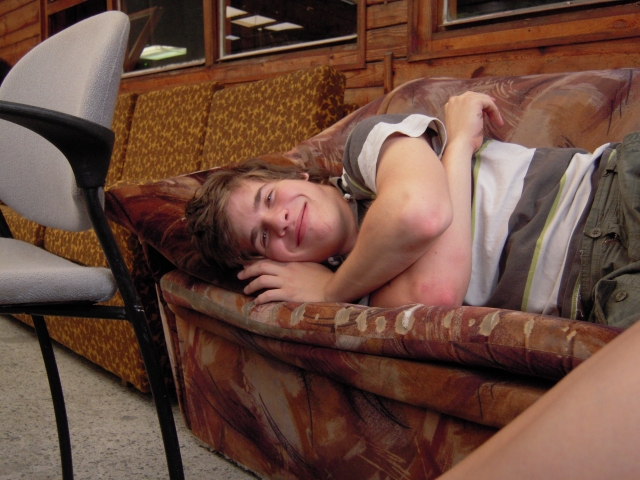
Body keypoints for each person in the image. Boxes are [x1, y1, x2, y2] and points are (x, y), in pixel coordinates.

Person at [186, 92, 640, 328]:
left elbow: (419, 213)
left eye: (268, 198)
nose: (279, 220)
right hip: (598, 292)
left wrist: (329, 292)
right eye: (263, 237)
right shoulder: (360, 295)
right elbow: (437, 291)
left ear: (298, 177)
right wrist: (457, 150)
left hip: (610, 192)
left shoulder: (363, 152)